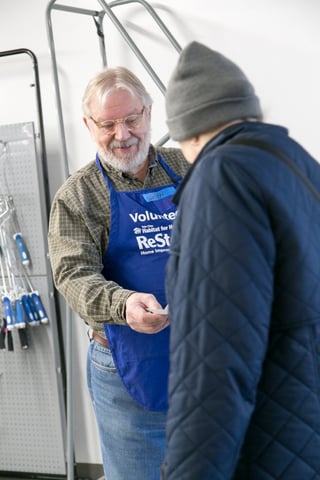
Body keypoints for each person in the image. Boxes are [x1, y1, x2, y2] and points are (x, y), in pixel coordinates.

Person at [161, 41, 320, 479]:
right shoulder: (299, 165)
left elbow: (213, 361)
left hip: (265, 445)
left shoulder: (222, 176)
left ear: (191, 131)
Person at [48, 66, 189, 480]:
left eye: (131, 119)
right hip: (127, 362)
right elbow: (73, 274)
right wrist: (124, 302)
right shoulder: (80, 195)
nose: (122, 134)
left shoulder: (188, 166)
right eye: (108, 124)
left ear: (148, 114)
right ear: (88, 125)